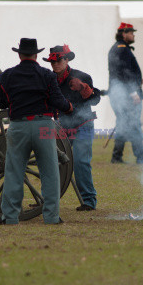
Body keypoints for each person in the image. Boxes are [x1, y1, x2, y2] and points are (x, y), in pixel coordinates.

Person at [0, 38, 73, 225]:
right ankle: (52, 217)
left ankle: (10, 217)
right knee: (50, 172)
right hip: (44, 126)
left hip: (18, 126)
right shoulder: (47, 75)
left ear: (19, 54)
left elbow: (2, 102)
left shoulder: (7, 75)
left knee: (14, 171)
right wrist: (69, 107)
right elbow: (57, 100)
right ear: (36, 55)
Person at [43, 44, 100, 211]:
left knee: (81, 162)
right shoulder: (48, 78)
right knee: (52, 163)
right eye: (52, 62)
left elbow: (95, 100)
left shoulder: (82, 76)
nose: (55, 64)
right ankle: (47, 200)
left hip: (83, 125)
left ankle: (89, 201)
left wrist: (85, 90)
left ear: (67, 60)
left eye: (59, 60)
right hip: (61, 126)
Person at [108, 22, 143, 165]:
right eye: (131, 32)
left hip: (121, 94)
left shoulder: (120, 48)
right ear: (124, 33)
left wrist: (136, 79)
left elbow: (125, 72)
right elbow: (122, 73)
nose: (133, 34)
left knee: (123, 125)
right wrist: (132, 92)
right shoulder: (122, 49)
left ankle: (116, 157)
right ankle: (141, 158)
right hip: (125, 94)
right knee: (134, 125)